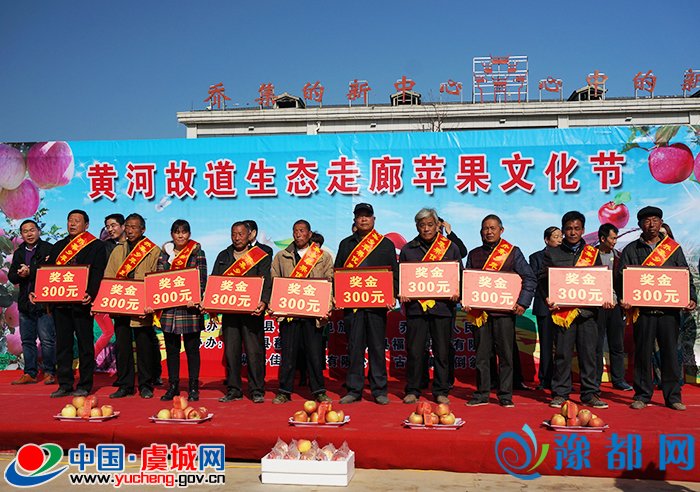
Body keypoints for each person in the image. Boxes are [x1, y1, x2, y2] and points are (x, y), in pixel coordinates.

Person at [619, 206, 696, 411]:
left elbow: (684, 275)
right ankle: (642, 395)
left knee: (670, 355)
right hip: (643, 312)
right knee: (643, 354)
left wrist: (691, 298)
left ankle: (673, 397)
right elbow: (621, 278)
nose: (651, 224)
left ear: (661, 223)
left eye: (655, 220)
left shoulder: (673, 249)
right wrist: (624, 298)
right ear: (639, 225)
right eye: (646, 221)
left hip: (668, 312)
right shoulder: (631, 249)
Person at [539, 211, 610, 410]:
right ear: (563, 230)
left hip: (588, 313)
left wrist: (605, 297)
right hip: (564, 313)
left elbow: (600, 280)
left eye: (577, 228)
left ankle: (590, 394)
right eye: (569, 229)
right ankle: (560, 393)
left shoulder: (593, 254)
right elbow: (543, 279)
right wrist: (547, 297)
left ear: (583, 230)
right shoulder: (552, 253)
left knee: (589, 355)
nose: (572, 232)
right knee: (562, 354)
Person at [466, 215, 536, 408]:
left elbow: (529, 278)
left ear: (501, 230)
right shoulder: (474, 254)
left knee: (505, 355)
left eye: (493, 228)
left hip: (504, 314)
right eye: (485, 228)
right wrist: (467, 299)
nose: (489, 232)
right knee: (482, 356)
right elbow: (467, 281)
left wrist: (522, 303)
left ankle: (505, 395)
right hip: (480, 314)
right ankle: (482, 393)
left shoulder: (512, 253)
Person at [335, 203, 399, 405]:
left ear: (374, 219)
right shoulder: (346, 244)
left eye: (367, 216)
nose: (363, 219)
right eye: (360, 216)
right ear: (354, 220)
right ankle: (354, 390)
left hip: (376, 306)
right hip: (352, 305)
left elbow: (393, 273)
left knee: (377, 348)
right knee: (354, 348)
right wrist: (337, 294)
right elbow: (338, 271)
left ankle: (379, 390)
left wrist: (393, 295)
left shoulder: (385, 244)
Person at [399, 208, 462, 405]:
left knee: (442, 351)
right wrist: (401, 292)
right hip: (416, 309)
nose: (426, 229)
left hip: (442, 308)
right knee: (415, 351)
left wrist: (457, 291)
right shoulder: (408, 249)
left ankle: (441, 390)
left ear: (437, 226)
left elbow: (459, 275)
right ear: (416, 227)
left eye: (430, 225)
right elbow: (401, 278)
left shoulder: (450, 248)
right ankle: (413, 389)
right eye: (422, 225)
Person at [43, 210, 106, 398]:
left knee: (85, 345)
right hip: (61, 303)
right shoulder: (58, 246)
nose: (72, 224)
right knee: (63, 345)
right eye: (70, 220)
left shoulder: (95, 246)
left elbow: (98, 272)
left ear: (86, 225)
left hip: (82, 303)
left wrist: (91, 294)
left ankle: (85, 384)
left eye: (77, 221)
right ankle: (65, 384)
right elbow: (49, 273)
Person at [271, 220, 334, 404]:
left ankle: (319, 391)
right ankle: (284, 391)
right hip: (289, 313)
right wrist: (275, 304)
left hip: (313, 314)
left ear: (309, 234)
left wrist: (327, 307)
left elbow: (329, 282)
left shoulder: (322, 256)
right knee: (288, 354)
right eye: (295, 231)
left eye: (301, 231)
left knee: (314, 354)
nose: (298, 234)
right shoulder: (282, 256)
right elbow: (274, 280)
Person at [214, 221, 271, 404]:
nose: (237, 238)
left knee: (254, 352)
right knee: (231, 352)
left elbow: (266, 281)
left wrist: (264, 301)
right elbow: (215, 281)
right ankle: (234, 389)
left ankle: (256, 390)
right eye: (234, 234)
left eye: (240, 234)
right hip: (230, 313)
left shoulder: (259, 255)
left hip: (252, 312)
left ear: (249, 235)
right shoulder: (223, 255)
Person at [104, 213, 161, 399]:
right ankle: (125, 385)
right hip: (121, 306)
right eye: (127, 226)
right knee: (123, 348)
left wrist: (150, 303)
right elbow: (109, 276)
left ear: (143, 229)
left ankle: (145, 385)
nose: (129, 230)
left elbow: (156, 280)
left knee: (144, 347)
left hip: (142, 307)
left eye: (134, 227)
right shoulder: (118, 250)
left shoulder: (153, 250)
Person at [156, 220, 207, 402]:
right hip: (169, 310)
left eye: (184, 232)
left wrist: (196, 297)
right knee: (172, 350)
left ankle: (193, 387)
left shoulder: (197, 252)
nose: (180, 235)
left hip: (190, 309)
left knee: (192, 350)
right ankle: (173, 386)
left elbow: (202, 279)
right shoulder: (165, 254)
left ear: (189, 234)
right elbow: (159, 279)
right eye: (177, 232)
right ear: (172, 234)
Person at [8, 220, 56, 385]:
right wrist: (20, 274)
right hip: (24, 304)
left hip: (44, 302)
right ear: (21, 234)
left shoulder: (48, 249)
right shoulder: (19, 252)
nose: (29, 234)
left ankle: (49, 372)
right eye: (25, 231)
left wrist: (31, 271)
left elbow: (51, 272)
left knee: (47, 340)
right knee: (27, 341)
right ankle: (30, 373)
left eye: (32, 230)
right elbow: (11, 276)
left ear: (38, 231)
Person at [595, 223, 632, 391]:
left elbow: (626, 280)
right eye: (613, 238)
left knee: (617, 345)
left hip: (616, 306)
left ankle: (618, 380)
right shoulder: (589, 255)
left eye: (616, 238)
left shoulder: (619, 256)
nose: (615, 241)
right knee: (596, 346)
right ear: (602, 238)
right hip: (597, 306)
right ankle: (594, 380)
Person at [528, 226, 562, 390]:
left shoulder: (566, 256)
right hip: (544, 305)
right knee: (546, 345)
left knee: (562, 345)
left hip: (563, 307)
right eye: (556, 237)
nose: (560, 239)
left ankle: (562, 379)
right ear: (546, 240)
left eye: (560, 236)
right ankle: (545, 379)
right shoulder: (536, 257)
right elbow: (534, 279)